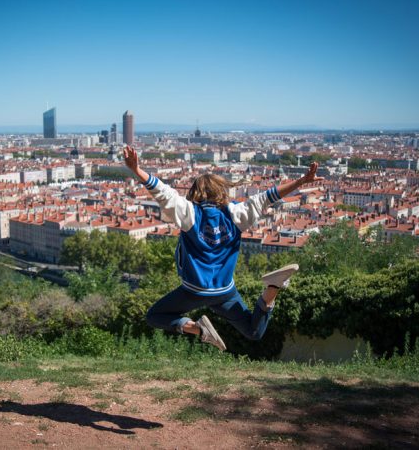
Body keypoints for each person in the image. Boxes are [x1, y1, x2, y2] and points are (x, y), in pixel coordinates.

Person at [123, 145, 323, 350]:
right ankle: (272, 288)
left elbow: (162, 191)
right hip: (225, 291)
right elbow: (269, 197)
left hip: (195, 290)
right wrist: (301, 181)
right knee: (254, 332)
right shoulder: (236, 213)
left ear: (195, 192)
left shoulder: (189, 213)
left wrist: (136, 170)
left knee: (155, 316)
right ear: (222, 191)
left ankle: (198, 330)